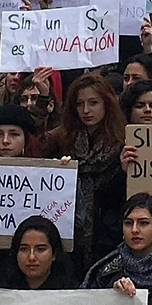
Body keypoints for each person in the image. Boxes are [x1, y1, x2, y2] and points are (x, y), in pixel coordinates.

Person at [45, 73, 127, 267]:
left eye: (93, 103)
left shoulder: (122, 142)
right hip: (70, 236)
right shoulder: (61, 140)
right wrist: (59, 172)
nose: (86, 110)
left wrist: (122, 171)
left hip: (108, 237)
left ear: (106, 103)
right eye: (80, 104)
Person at [0, 215, 78, 290]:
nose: (31, 257)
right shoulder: (1, 291)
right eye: (24, 249)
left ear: (54, 254)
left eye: (40, 249)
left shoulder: (70, 293)